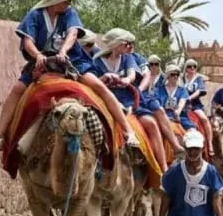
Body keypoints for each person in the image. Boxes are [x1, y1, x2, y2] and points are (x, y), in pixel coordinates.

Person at [0, 0, 139, 153]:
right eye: (66, 0)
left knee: (98, 86)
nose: (69, 3)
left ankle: (128, 132)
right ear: (56, 0)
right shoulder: (35, 15)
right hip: (43, 63)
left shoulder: (69, 14)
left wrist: (64, 51)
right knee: (17, 90)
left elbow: (73, 33)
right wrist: (38, 56)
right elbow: (28, 41)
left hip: (71, 60)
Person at [90, 29, 170, 171]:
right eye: (126, 44)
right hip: (105, 99)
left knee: (151, 123)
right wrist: (105, 78)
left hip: (128, 99)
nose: (129, 47)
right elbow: (95, 81)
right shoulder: (96, 61)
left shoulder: (127, 58)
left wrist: (126, 80)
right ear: (116, 44)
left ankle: (162, 168)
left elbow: (132, 74)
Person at [183, 59, 214, 154]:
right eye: (189, 66)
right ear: (186, 69)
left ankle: (209, 143)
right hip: (181, 105)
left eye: (194, 66)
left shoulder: (198, 79)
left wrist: (189, 97)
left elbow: (199, 91)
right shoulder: (181, 78)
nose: (192, 68)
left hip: (194, 104)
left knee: (204, 119)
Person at [155, 65, 196, 131]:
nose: (176, 76)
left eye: (177, 74)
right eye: (173, 74)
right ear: (167, 76)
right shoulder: (158, 90)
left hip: (180, 117)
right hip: (162, 117)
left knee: (193, 132)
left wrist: (177, 113)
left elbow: (181, 103)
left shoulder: (183, 90)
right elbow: (156, 104)